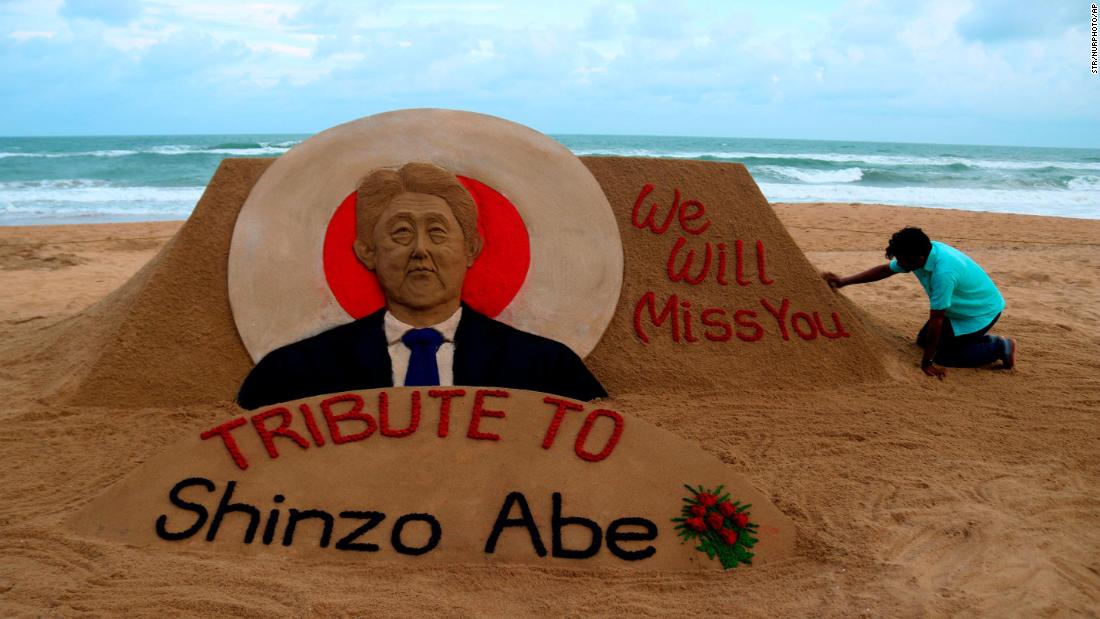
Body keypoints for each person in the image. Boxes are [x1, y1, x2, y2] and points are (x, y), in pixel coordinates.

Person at [237, 162, 606, 410]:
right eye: (400, 233)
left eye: (437, 232)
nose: (420, 250)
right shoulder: (292, 373)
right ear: (367, 252)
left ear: (471, 249)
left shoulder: (547, 370)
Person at [821, 226, 1015, 379]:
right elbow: (885, 270)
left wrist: (928, 362)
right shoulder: (919, 254)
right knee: (923, 340)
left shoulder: (943, 273)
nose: (900, 264)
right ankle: (972, 341)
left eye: (902, 260)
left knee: (943, 356)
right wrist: (843, 281)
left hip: (979, 312)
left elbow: (937, 319)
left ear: (919, 259)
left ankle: (1000, 347)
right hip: (957, 309)